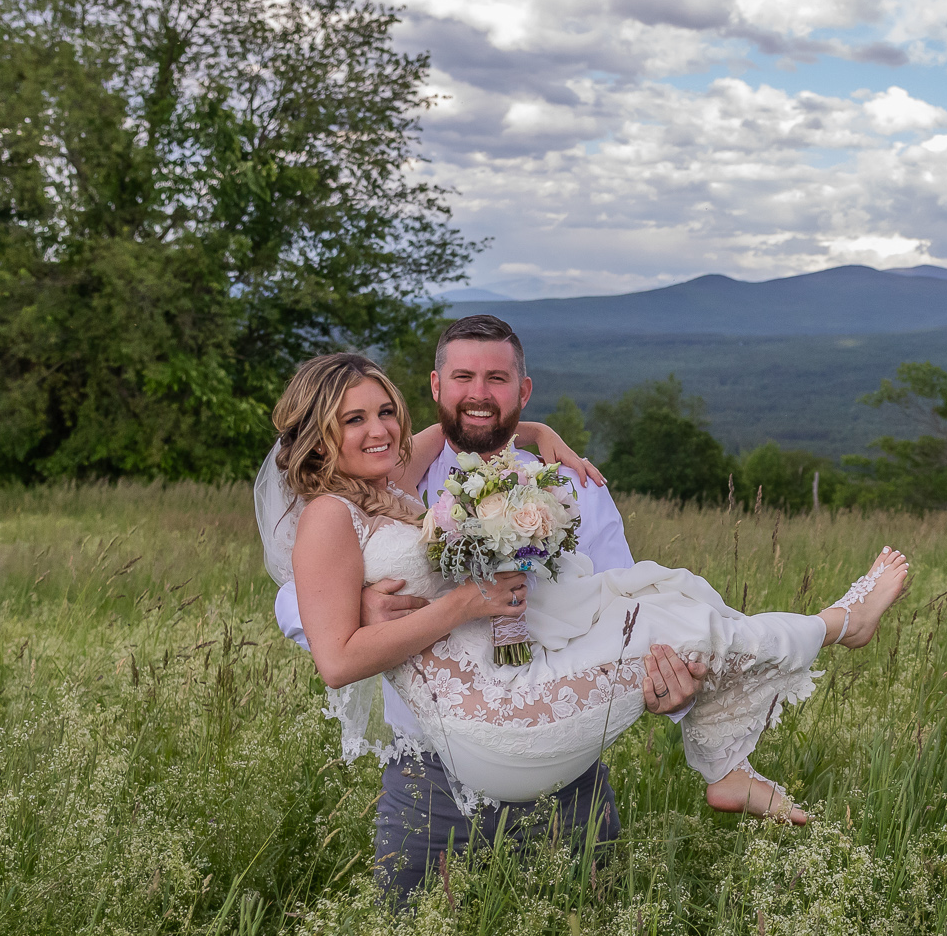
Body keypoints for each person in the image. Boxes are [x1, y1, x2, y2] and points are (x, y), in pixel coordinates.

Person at [259, 334, 908, 901]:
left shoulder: (390, 480)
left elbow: (464, 432)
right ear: (319, 433)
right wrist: (458, 603)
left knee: (664, 594)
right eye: (353, 420)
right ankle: (842, 622)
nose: (378, 429)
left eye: (384, 412)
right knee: (669, 623)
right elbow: (336, 659)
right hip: (479, 727)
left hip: (523, 709)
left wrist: (539, 435)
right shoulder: (328, 515)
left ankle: (724, 762)